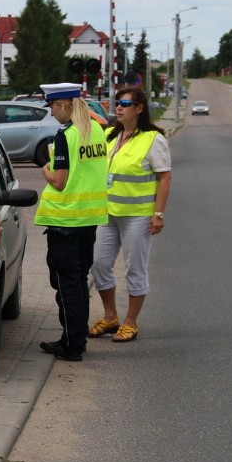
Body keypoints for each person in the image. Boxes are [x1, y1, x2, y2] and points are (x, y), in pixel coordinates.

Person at [88, 86, 171, 343]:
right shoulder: (111, 136)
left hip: (137, 215)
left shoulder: (153, 139)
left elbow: (164, 177)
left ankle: (130, 322)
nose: (119, 107)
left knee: (135, 270)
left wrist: (158, 214)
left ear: (139, 108)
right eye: (117, 103)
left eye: (125, 103)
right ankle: (111, 316)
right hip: (108, 213)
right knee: (99, 264)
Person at [34, 83, 109, 362]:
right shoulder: (97, 131)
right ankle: (76, 338)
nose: (52, 113)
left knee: (66, 285)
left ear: (64, 105)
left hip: (65, 220)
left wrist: (45, 169)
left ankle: (71, 344)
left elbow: (60, 181)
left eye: (53, 106)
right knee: (78, 281)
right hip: (89, 219)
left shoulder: (67, 136)